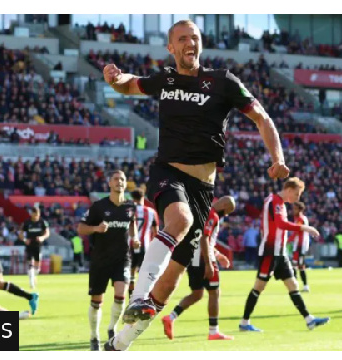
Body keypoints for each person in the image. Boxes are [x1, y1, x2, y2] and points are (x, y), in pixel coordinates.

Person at [104, 19, 289, 352]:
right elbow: (131, 85)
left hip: (203, 189)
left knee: (170, 283)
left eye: (195, 38)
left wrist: (277, 157)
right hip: (168, 173)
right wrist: (116, 79)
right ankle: (138, 296)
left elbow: (261, 117)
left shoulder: (222, 82)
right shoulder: (165, 79)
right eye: (182, 39)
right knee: (180, 220)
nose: (190, 43)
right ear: (171, 47)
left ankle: (119, 344)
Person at [239, 178, 329, 332]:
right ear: (288, 190)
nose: (297, 198)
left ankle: (309, 320)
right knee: (259, 287)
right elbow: (280, 224)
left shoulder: (278, 202)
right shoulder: (275, 202)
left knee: (293, 285)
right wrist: (305, 228)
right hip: (269, 252)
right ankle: (244, 323)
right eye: (296, 194)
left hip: (280, 253)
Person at [77, 170, 138, 351]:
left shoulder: (130, 207)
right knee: (97, 301)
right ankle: (94, 336)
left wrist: (134, 239)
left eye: (122, 179)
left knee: (121, 295)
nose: (119, 182)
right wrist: (96, 228)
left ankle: (112, 328)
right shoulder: (98, 207)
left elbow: (132, 226)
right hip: (100, 260)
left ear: (125, 184)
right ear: (109, 184)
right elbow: (81, 228)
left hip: (122, 259)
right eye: (116, 179)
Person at [162, 196, 235, 341]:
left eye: (223, 203)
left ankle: (170, 317)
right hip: (204, 261)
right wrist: (209, 263)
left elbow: (200, 238)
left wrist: (218, 254)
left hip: (193, 260)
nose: (218, 202)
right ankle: (214, 331)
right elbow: (204, 239)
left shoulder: (203, 213)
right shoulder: (212, 215)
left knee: (197, 294)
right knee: (214, 293)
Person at [129, 189, 159, 298]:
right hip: (145, 247)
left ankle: (130, 298)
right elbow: (156, 233)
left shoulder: (128, 211)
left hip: (130, 245)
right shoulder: (151, 212)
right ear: (143, 197)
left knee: (131, 273)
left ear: (133, 198)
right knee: (144, 274)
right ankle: (142, 298)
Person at [19, 207, 50, 289]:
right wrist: (25, 240)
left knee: (37, 265)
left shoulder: (42, 222)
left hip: (38, 245)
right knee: (30, 263)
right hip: (29, 245)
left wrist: (42, 237)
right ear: (31, 214)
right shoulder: (27, 222)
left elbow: (47, 233)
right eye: (35, 214)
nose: (37, 216)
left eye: (38, 214)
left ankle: (34, 275)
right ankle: (31, 282)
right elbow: (21, 234)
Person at [291, 202, 311, 292]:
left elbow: (297, 232)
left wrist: (287, 240)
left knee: (297, 265)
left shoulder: (300, 219)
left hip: (300, 245)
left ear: (300, 209)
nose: (293, 210)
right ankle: (301, 286)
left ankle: (302, 286)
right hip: (299, 245)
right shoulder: (302, 218)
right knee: (297, 265)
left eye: (295, 208)